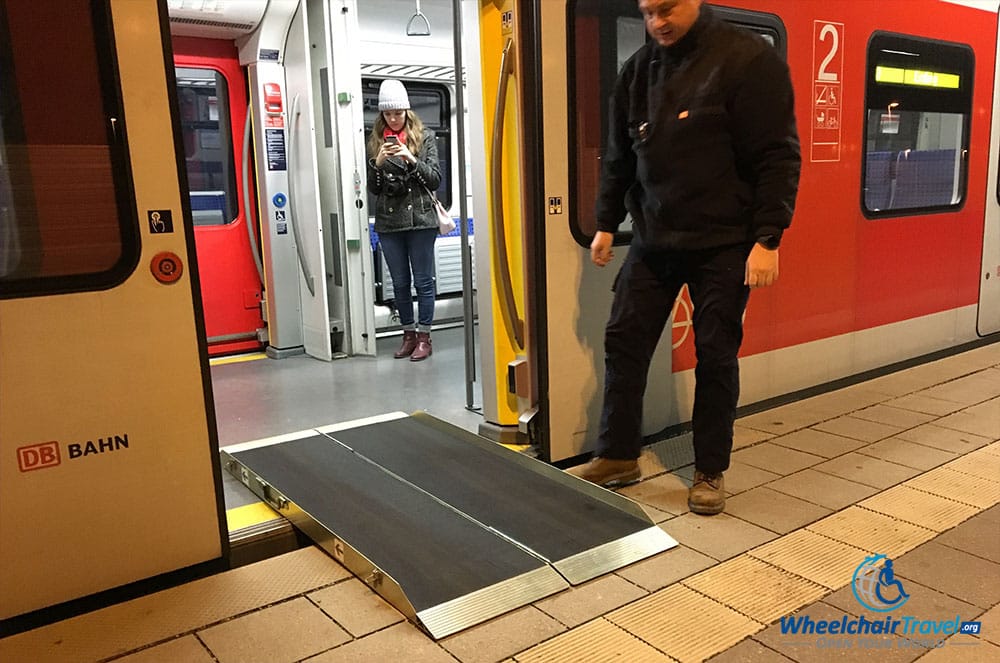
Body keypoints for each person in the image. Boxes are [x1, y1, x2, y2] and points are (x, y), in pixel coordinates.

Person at [568, 0, 801, 515]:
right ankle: (619, 454)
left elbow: (778, 155)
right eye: (648, 12)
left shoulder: (748, 60)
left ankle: (709, 470)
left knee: (715, 354)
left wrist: (768, 238)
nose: (657, 23)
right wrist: (607, 223)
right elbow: (621, 155)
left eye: (667, 9)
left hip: (725, 241)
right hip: (655, 239)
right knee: (624, 340)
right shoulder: (638, 72)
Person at [367, 79, 442, 361]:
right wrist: (378, 164)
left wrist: (410, 157)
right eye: (388, 114)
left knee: (423, 281)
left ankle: (425, 336)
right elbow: (374, 189)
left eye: (398, 113)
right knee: (399, 282)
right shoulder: (376, 142)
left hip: (421, 220)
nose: (394, 118)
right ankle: (408, 334)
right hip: (389, 223)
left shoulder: (426, 137)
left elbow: (435, 178)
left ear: (407, 112)